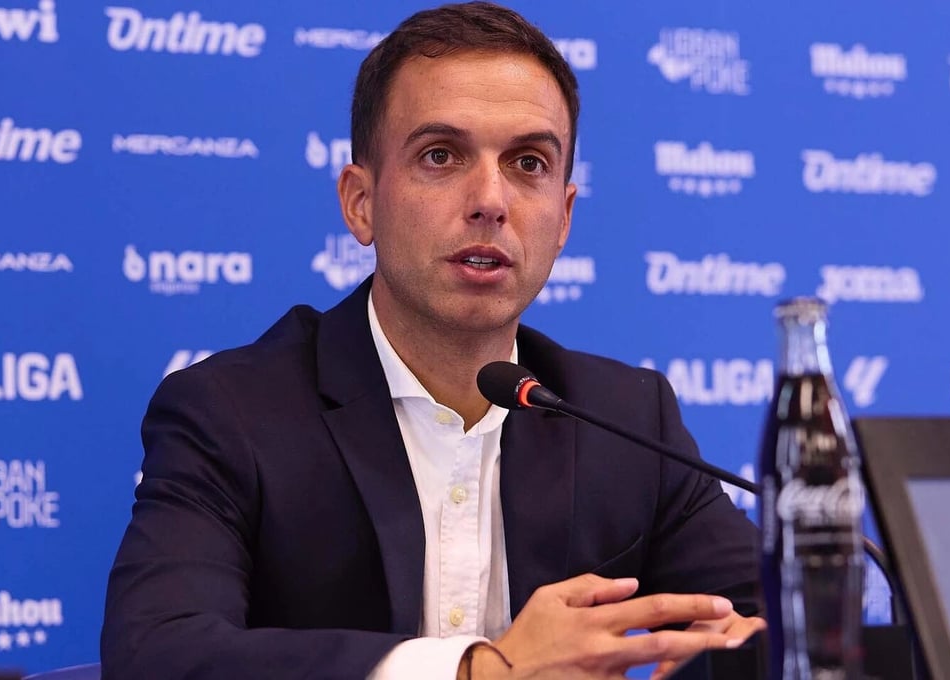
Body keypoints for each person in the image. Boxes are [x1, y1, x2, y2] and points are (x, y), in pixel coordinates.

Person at [101, 3, 763, 678]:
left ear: (563, 218)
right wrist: (480, 671)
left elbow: (773, 618)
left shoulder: (626, 420)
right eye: (440, 156)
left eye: (528, 162)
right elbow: (157, 653)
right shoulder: (232, 414)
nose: (490, 200)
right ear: (361, 202)